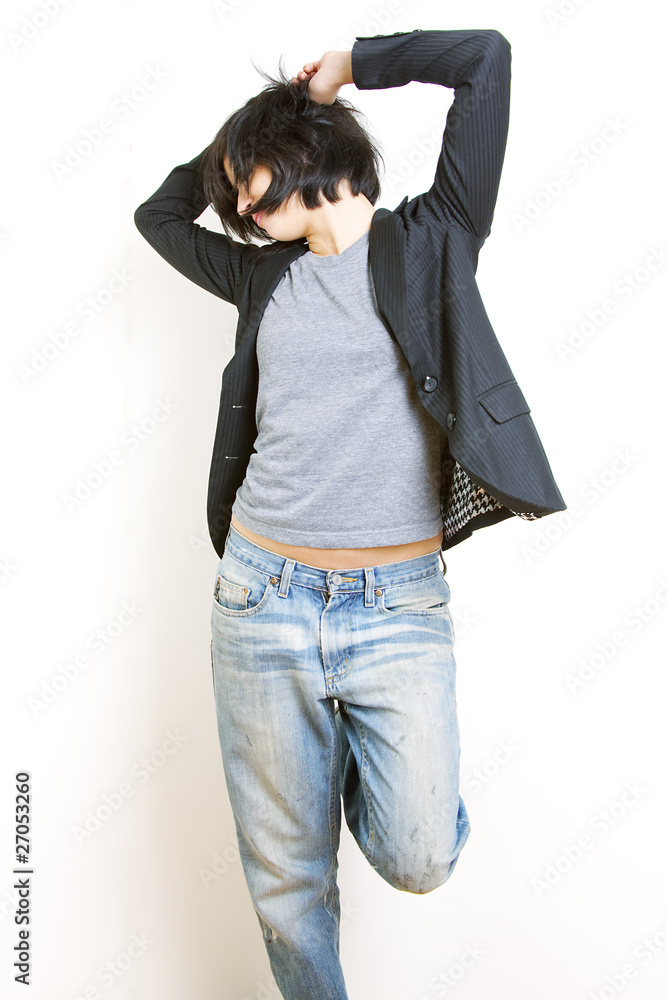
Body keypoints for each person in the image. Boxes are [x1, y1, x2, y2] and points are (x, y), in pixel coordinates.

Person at [134, 28, 566, 1000]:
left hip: (395, 605)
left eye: (251, 182)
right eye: (235, 194)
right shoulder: (260, 274)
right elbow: (158, 216)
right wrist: (233, 147)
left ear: (303, 153)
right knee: (288, 888)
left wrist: (350, 67)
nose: (241, 208)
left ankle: (334, 766)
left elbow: (486, 59)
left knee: (419, 852)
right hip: (261, 597)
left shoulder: (436, 237)